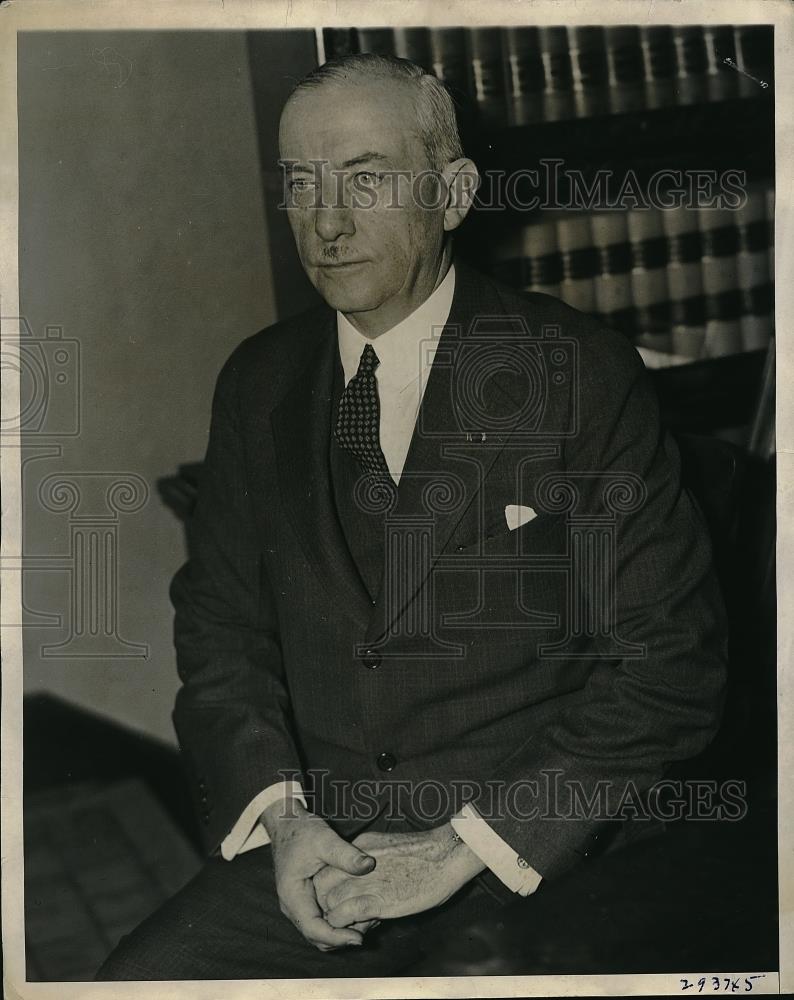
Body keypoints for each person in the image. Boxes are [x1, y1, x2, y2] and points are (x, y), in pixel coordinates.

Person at [97, 53, 727, 980]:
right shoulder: (259, 383)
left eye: (366, 177)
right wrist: (285, 818)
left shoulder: (578, 373)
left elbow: (670, 670)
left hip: (536, 847)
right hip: (328, 845)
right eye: (301, 183)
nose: (327, 220)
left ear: (455, 192)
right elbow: (222, 631)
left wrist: (461, 847)